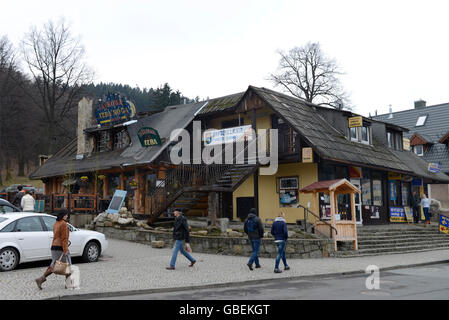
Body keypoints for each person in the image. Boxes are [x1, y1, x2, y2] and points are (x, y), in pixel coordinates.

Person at [35, 210, 72, 290]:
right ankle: (68, 283)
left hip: (54, 246)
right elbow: (64, 238)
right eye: (66, 215)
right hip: (61, 247)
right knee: (68, 264)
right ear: (63, 216)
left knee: (54, 265)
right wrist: (65, 250)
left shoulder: (56, 223)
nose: (67, 216)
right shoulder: (64, 224)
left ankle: (41, 279)